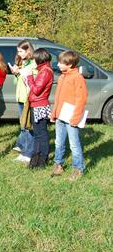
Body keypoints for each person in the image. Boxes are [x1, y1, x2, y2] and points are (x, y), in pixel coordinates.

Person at [50, 51, 88, 181]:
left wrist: (75, 118)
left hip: (71, 118)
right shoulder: (62, 77)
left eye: (61, 62)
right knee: (59, 142)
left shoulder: (77, 78)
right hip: (60, 116)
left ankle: (78, 168)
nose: (58, 64)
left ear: (70, 64)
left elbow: (81, 99)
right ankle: (58, 164)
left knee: (74, 144)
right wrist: (54, 113)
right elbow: (58, 98)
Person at [23, 48, 53, 169]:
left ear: (39, 59)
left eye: (34, 59)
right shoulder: (42, 70)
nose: (33, 62)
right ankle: (35, 158)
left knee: (41, 134)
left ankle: (43, 159)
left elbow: (36, 89)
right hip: (36, 104)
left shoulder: (45, 71)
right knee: (37, 134)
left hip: (40, 106)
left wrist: (29, 78)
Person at [9, 40, 36, 163]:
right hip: (20, 98)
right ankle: (24, 148)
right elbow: (17, 82)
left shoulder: (34, 63)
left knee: (28, 127)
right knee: (23, 126)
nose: (19, 54)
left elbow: (34, 80)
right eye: (18, 51)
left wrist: (22, 73)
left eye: (21, 51)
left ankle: (28, 153)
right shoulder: (23, 62)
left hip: (28, 99)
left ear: (28, 50)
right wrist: (16, 74)